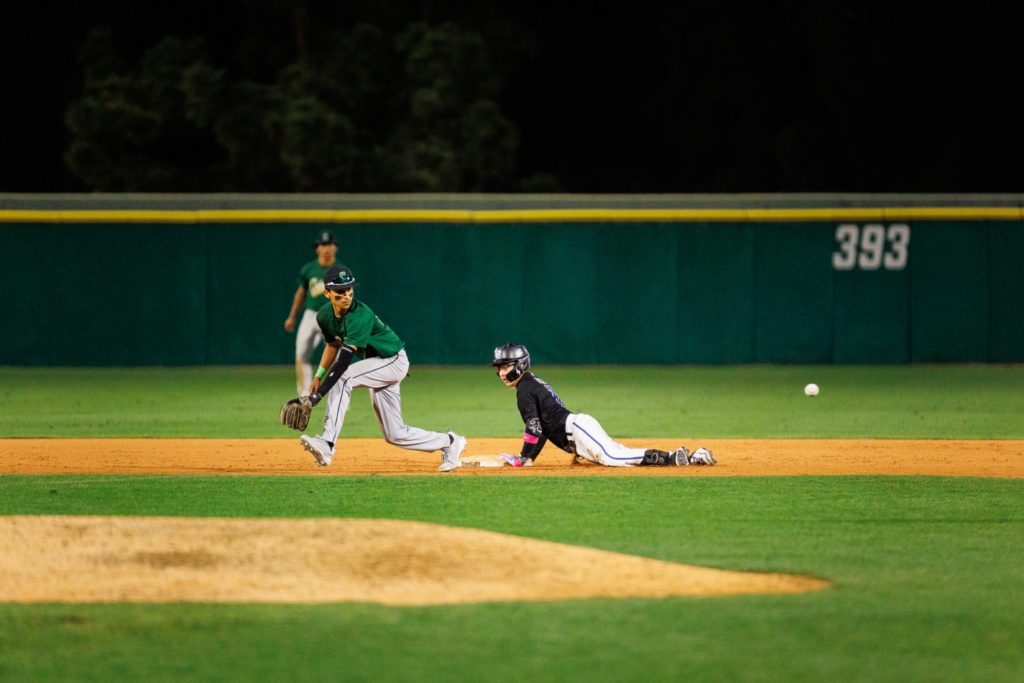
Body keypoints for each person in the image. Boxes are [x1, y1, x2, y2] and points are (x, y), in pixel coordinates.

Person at [298, 265, 468, 472]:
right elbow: (332, 345)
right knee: (395, 434)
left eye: (349, 290)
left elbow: (343, 362)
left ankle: (327, 443)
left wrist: (320, 394)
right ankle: (450, 442)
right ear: (327, 293)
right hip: (376, 366)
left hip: (393, 361)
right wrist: (318, 377)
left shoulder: (360, 314)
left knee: (344, 378)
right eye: (340, 292)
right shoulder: (324, 315)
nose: (346, 295)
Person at [489, 343, 716, 467]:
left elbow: (535, 428)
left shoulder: (525, 390)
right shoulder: (528, 384)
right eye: (499, 368)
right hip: (577, 435)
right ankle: (693, 457)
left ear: (520, 365)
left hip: (577, 429)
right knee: (618, 455)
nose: (501, 372)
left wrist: (523, 457)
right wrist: (528, 458)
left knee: (614, 458)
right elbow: (542, 430)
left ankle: (674, 456)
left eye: (506, 366)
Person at [284, 230, 338, 395]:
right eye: (322, 245)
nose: (326, 249)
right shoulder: (308, 269)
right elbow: (300, 294)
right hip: (311, 314)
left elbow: (348, 297)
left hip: (332, 315)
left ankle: (339, 392)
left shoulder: (340, 270)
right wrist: (292, 316)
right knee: (301, 353)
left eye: (329, 245)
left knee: (337, 357)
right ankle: (304, 394)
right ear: (317, 249)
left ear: (335, 247)